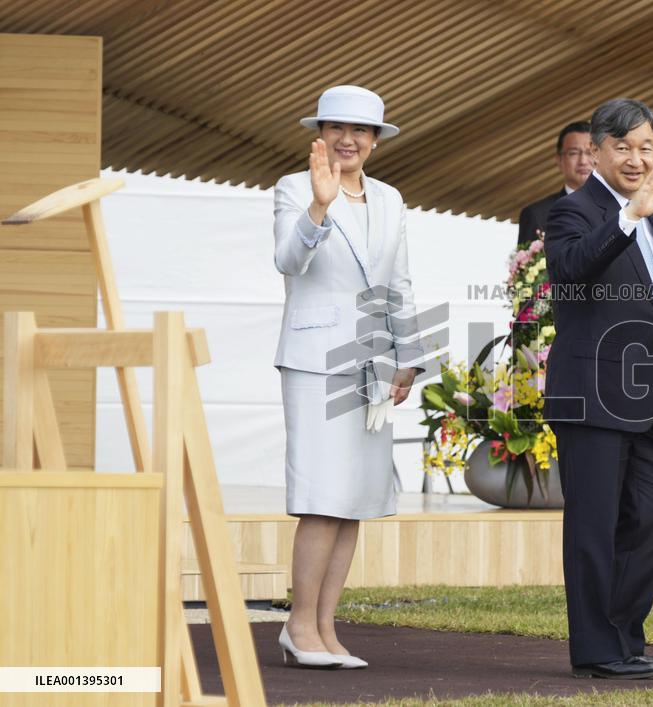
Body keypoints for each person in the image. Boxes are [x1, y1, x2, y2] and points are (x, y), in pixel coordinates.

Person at [272, 85, 424, 669]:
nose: (348, 139)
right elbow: (288, 261)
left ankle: (324, 627)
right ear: (320, 133)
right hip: (315, 361)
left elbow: (398, 282)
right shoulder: (294, 187)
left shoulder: (390, 198)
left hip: (372, 363)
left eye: (361, 130)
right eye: (336, 127)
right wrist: (319, 207)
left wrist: (408, 356)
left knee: (354, 499)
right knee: (322, 497)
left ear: (376, 141)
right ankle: (298, 625)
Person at [543, 98, 653, 680]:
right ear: (596, 151)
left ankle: (624, 637)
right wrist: (627, 218)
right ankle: (598, 648)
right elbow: (572, 268)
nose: (635, 157)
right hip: (591, 393)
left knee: (650, 520)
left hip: (648, 396)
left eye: (646, 147)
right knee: (593, 528)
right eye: (622, 146)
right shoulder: (572, 210)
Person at [516, 121, 593, 245]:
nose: (583, 161)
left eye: (590, 152)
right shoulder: (537, 215)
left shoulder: (621, 209)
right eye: (573, 153)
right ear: (559, 160)